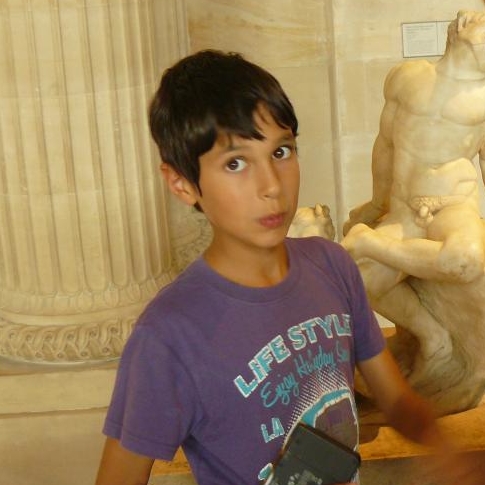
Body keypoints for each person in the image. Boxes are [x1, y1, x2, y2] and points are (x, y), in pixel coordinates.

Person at [95, 49, 475, 485]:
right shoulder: (168, 335)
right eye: (235, 163)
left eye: (281, 151)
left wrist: (447, 454)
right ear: (182, 183)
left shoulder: (332, 266)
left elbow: (396, 399)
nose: (271, 186)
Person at [342, 10, 485, 384]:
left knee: (466, 259)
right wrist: (376, 205)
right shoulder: (408, 78)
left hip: (453, 207)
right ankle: (433, 337)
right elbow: (385, 145)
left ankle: (369, 243)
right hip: (404, 211)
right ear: (461, 31)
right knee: (355, 285)